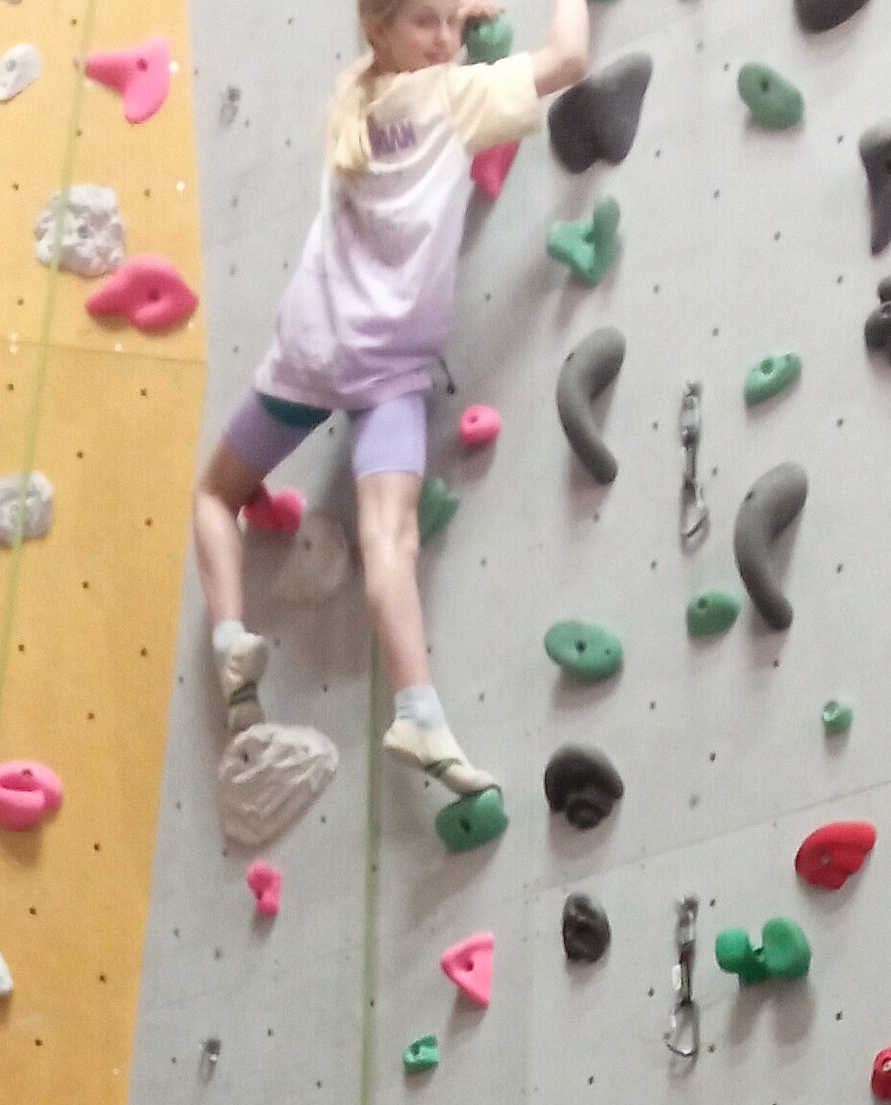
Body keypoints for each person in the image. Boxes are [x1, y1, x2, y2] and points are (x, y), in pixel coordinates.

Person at [190, 0, 593, 803]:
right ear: (382, 30)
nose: (445, 40)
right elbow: (569, 58)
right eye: (427, 25)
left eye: (451, 25)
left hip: (312, 349)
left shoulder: (356, 99)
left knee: (214, 495)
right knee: (389, 540)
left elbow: (396, 48)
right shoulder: (453, 97)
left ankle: (231, 636)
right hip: (390, 365)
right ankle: (417, 713)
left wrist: (446, 15)